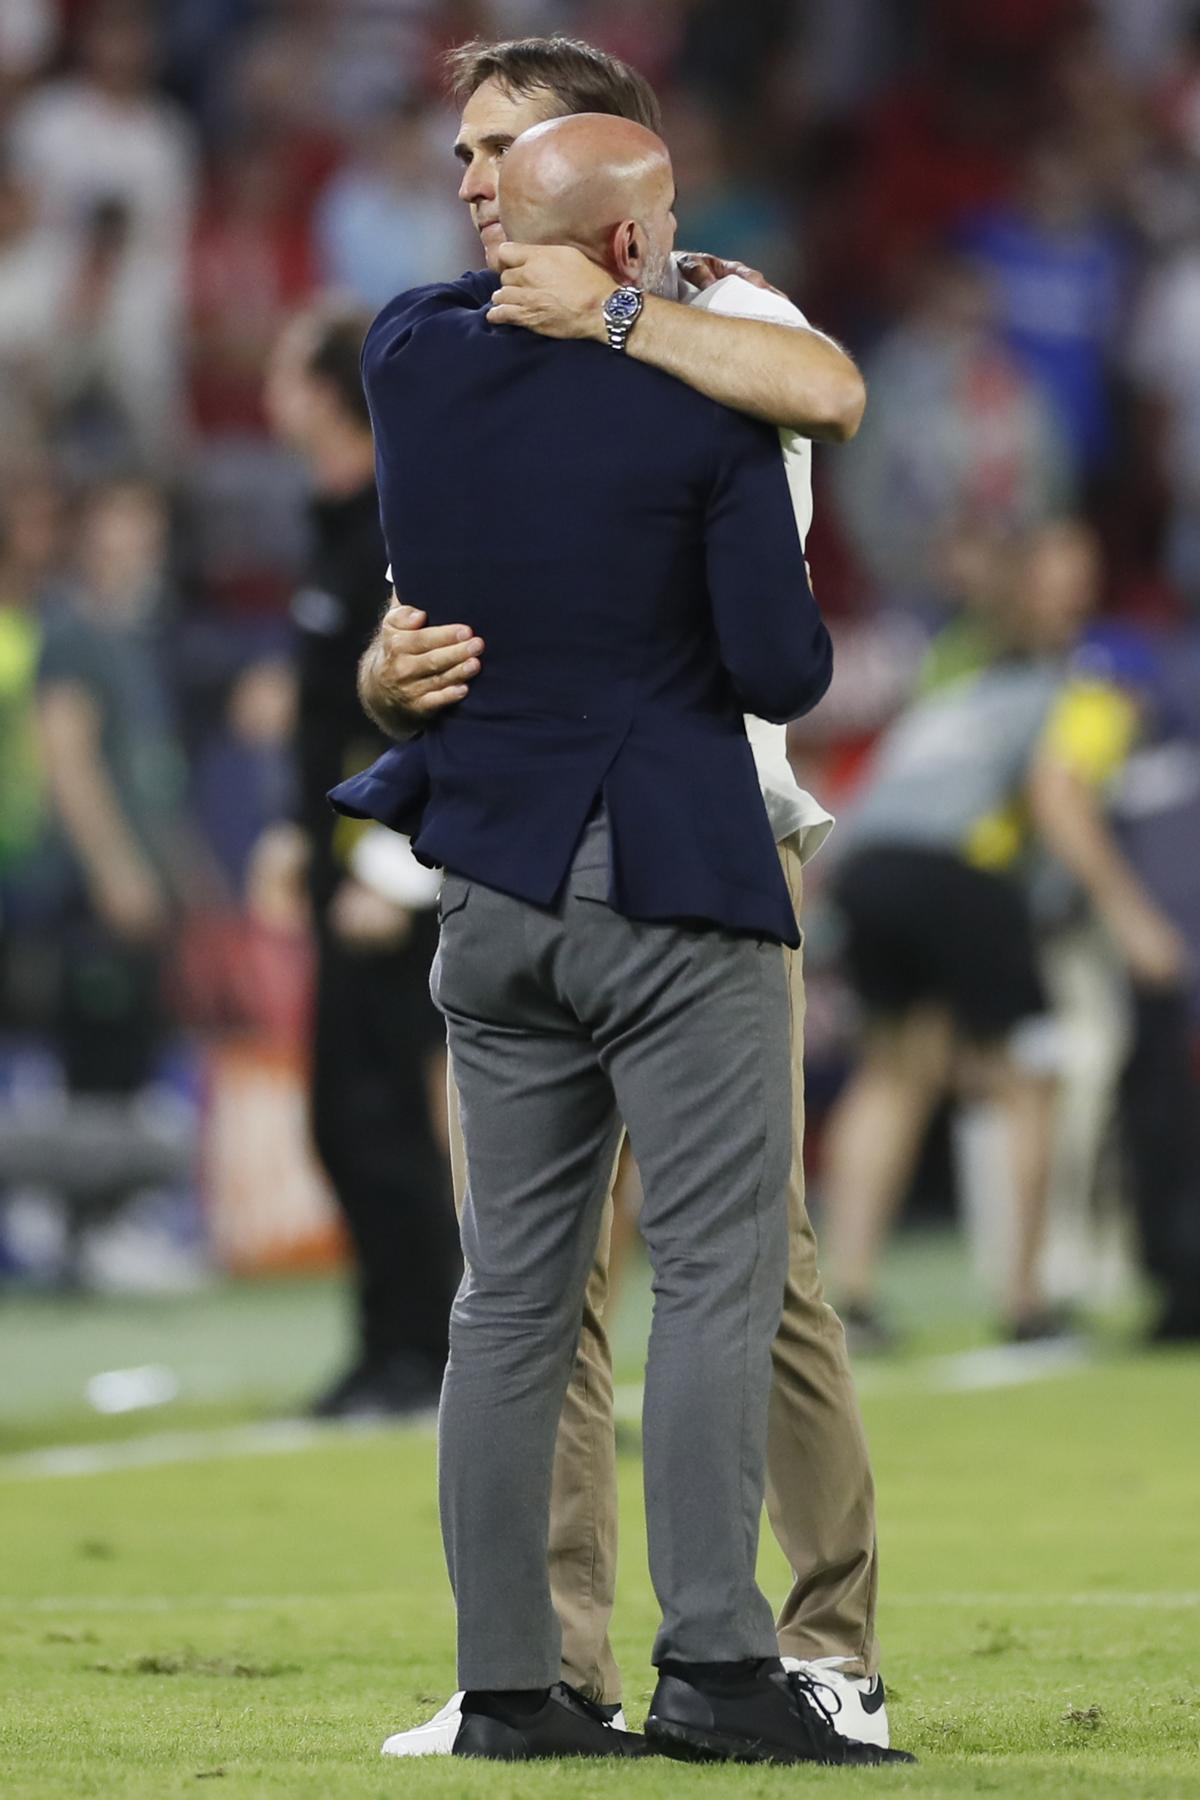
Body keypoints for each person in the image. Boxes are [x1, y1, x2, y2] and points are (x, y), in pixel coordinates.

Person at [335, 112, 912, 1770]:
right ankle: (721, 1664)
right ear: (635, 246)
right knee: (723, 1274)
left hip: (488, 888)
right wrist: (665, 334)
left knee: (509, 1299)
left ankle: (515, 1685)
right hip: (670, 877)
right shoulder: (698, 403)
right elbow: (782, 672)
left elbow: (467, 340)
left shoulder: (408, 361)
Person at [822, 519, 1190, 1344]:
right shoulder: (1080, 695)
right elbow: (1059, 798)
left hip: (867, 861)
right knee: (1032, 1078)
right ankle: (1028, 1306)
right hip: (958, 871)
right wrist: (1135, 922)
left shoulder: (956, 691)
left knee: (894, 1072)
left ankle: (851, 1299)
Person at [257, 303, 460, 1420]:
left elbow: (426, 707)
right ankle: (388, 1339)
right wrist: (298, 835)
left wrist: (392, 869)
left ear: (328, 393)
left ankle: (420, 1351)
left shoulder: (391, 524)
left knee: (383, 1114)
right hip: (343, 865)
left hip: (393, 873)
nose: (269, 390)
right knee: (348, 1115)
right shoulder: (335, 524)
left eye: (288, 372)